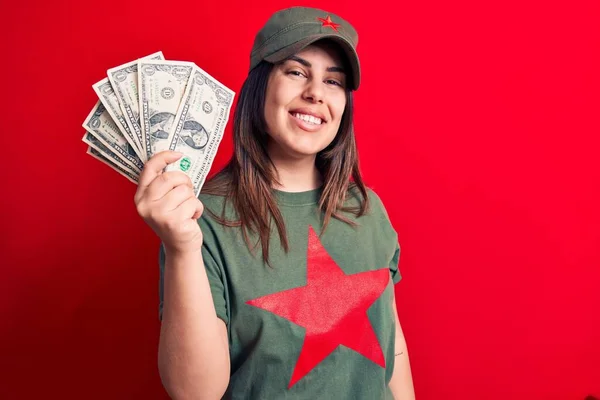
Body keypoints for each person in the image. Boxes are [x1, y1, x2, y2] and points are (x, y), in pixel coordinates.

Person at [134, 6, 416, 399]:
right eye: (297, 72)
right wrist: (182, 249)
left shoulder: (367, 209)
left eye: (333, 81)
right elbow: (195, 392)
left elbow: (393, 349)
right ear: (261, 85)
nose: (315, 92)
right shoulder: (202, 218)